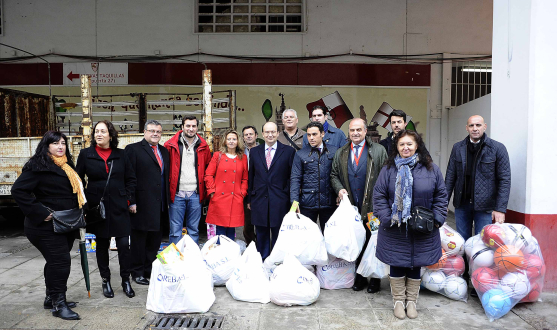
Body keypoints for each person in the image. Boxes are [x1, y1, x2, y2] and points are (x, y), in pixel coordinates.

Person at [373, 130, 448, 320]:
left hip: (422, 228)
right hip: (395, 227)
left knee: (416, 263)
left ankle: (411, 302)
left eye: (409, 144)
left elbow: (441, 195)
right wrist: (387, 217)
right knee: (396, 262)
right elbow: (379, 195)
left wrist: (437, 219)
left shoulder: (431, 169)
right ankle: (398, 301)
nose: (405, 148)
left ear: (417, 146)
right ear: (396, 147)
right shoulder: (389, 169)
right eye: (401, 144)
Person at [11, 131, 84, 320]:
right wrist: (42, 213)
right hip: (44, 227)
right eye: (55, 143)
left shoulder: (67, 165)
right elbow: (18, 190)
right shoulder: (38, 166)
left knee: (55, 262)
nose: (60, 147)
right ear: (46, 146)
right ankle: (58, 304)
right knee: (60, 262)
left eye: (62, 143)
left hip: (65, 224)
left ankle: (50, 297)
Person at [445, 115, 511, 296]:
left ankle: (481, 281)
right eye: (471, 125)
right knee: (463, 243)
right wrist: (443, 204)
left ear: (484, 126)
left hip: (486, 207)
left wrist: (500, 208)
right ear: (466, 127)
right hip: (462, 205)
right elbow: (450, 176)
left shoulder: (497, 148)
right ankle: (464, 277)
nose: (475, 128)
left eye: (478, 125)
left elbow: (504, 179)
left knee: (484, 246)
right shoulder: (458, 148)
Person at [76, 120, 137, 299]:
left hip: (119, 205)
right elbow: (78, 181)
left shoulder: (121, 154)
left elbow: (131, 179)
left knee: (124, 245)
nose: (99, 134)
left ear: (111, 134)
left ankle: (126, 280)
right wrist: (84, 204)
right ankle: (105, 280)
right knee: (101, 245)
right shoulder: (86, 154)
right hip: (97, 207)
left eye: (103, 131)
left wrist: (128, 199)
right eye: (96, 131)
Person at [330, 118, 387, 293]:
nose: (355, 133)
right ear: (348, 132)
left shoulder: (378, 150)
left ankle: (375, 279)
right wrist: (339, 190)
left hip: (373, 209)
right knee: (357, 241)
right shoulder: (341, 152)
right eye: (352, 130)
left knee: (374, 240)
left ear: (365, 131)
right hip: (352, 209)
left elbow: (386, 176)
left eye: (358, 130)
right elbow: (334, 175)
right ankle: (360, 276)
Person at [125, 120, 170, 286]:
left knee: (154, 240)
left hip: (159, 204)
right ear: (144, 132)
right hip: (140, 204)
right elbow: (129, 177)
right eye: (151, 131)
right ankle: (136, 272)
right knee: (139, 241)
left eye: (158, 131)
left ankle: (148, 269)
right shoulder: (133, 150)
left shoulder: (164, 152)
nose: (155, 134)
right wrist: (131, 201)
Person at [248, 122, 296, 259]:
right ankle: (263, 262)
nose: (270, 135)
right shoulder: (255, 152)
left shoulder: (288, 151)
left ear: (277, 133)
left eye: (273, 132)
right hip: (259, 199)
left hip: (280, 200)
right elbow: (252, 176)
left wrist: (288, 196)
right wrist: (250, 199)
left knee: (279, 233)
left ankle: (276, 262)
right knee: (261, 233)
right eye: (267, 132)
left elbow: (291, 177)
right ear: (262, 134)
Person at [164, 116, 212, 245]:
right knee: (175, 230)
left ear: (197, 128)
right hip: (177, 193)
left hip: (195, 194)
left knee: (194, 230)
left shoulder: (203, 146)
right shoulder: (170, 145)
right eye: (188, 126)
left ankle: (192, 259)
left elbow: (208, 169)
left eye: (194, 126)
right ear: (182, 127)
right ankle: (175, 260)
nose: (191, 129)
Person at [290, 121, 337, 231]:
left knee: (330, 237)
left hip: (329, 202)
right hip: (307, 203)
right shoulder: (301, 154)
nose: (311, 138)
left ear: (322, 134)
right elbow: (295, 179)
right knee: (307, 238)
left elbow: (339, 175)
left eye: (314, 134)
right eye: (309, 135)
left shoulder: (334, 151)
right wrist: (294, 203)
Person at [205, 130, 249, 240]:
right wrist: (212, 191)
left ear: (238, 141)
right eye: (229, 139)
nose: (231, 141)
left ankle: (230, 255)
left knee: (231, 228)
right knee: (220, 229)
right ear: (225, 141)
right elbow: (208, 175)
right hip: (219, 197)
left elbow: (245, 178)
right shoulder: (217, 155)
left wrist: (242, 193)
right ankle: (221, 254)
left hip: (235, 197)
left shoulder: (243, 157)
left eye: (234, 139)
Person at [242, 125, 259, 245]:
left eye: (251, 134)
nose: (248, 136)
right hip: (244, 189)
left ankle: (261, 244)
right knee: (247, 221)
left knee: (260, 219)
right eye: (246, 134)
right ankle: (250, 243)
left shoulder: (262, 150)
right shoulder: (240, 152)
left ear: (256, 136)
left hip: (258, 189)